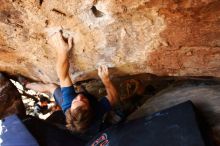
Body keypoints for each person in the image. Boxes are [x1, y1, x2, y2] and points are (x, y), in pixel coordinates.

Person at [26, 31, 119, 138]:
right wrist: (106, 80)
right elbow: (114, 98)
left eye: (76, 100)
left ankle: (27, 85)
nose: (79, 96)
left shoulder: (68, 104)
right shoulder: (96, 111)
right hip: (90, 130)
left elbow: (63, 76)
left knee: (52, 87)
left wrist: (62, 52)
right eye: (83, 101)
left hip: (74, 120)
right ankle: (28, 85)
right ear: (91, 108)